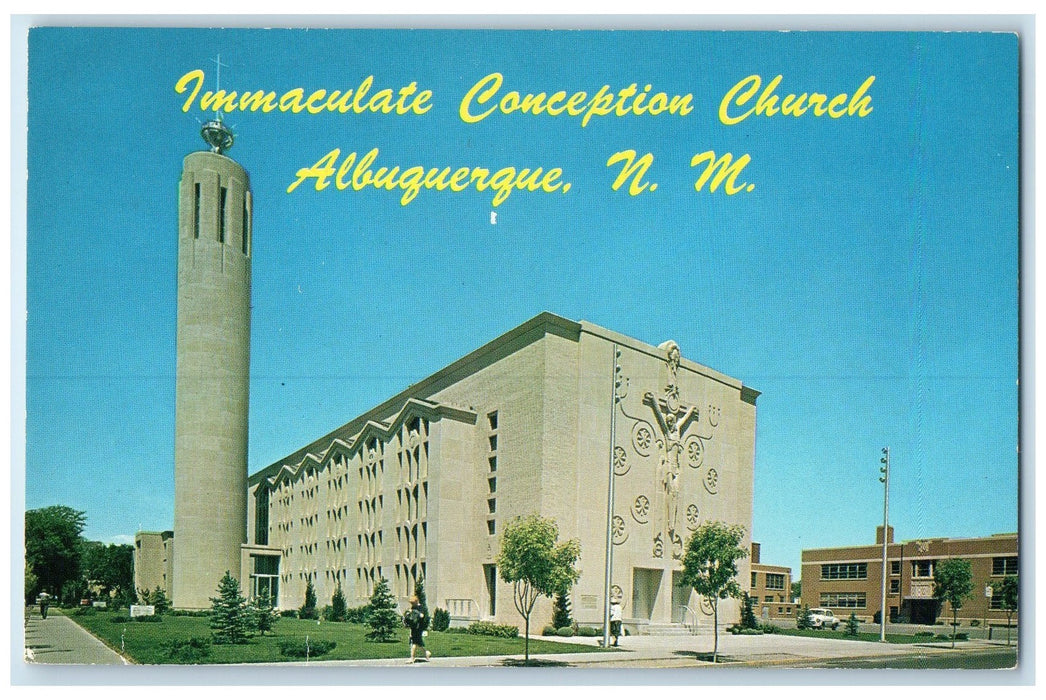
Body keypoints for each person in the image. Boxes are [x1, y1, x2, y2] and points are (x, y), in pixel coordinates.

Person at [403, 596, 431, 663]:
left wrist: (416, 612)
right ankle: (426, 653)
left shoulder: (421, 607)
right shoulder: (413, 607)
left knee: (414, 642)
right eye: (411, 603)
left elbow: (422, 616)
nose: (412, 605)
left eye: (413, 603)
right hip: (414, 627)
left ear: (416, 601)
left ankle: (412, 658)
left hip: (419, 628)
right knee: (418, 643)